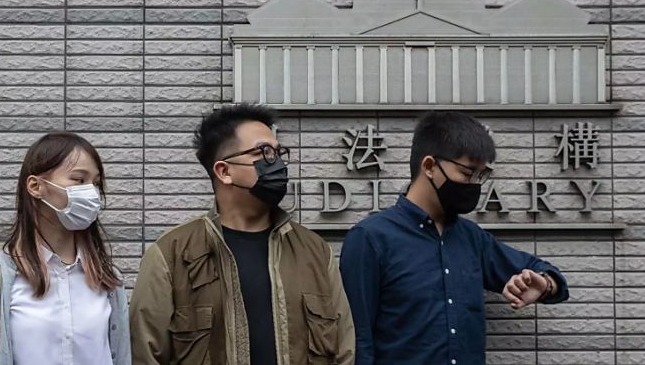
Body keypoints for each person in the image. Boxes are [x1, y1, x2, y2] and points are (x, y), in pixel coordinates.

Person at [129, 103, 354, 365]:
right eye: (264, 152)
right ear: (224, 171)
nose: (277, 162)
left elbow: (344, 350)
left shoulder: (314, 251)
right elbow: (146, 354)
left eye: (279, 152)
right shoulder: (171, 255)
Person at [340, 111, 570, 365]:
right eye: (467, 173)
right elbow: (357, 340)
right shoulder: (370, 238)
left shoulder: (473, 239)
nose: (474, 185)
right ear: (429, 166)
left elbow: (548, 276)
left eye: (479, 176)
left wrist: (545, 284)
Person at [0, 132, 130, 365]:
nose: (91, 193)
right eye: (79, 180)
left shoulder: (108, 279)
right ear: (36, 186)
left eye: (95, 183)